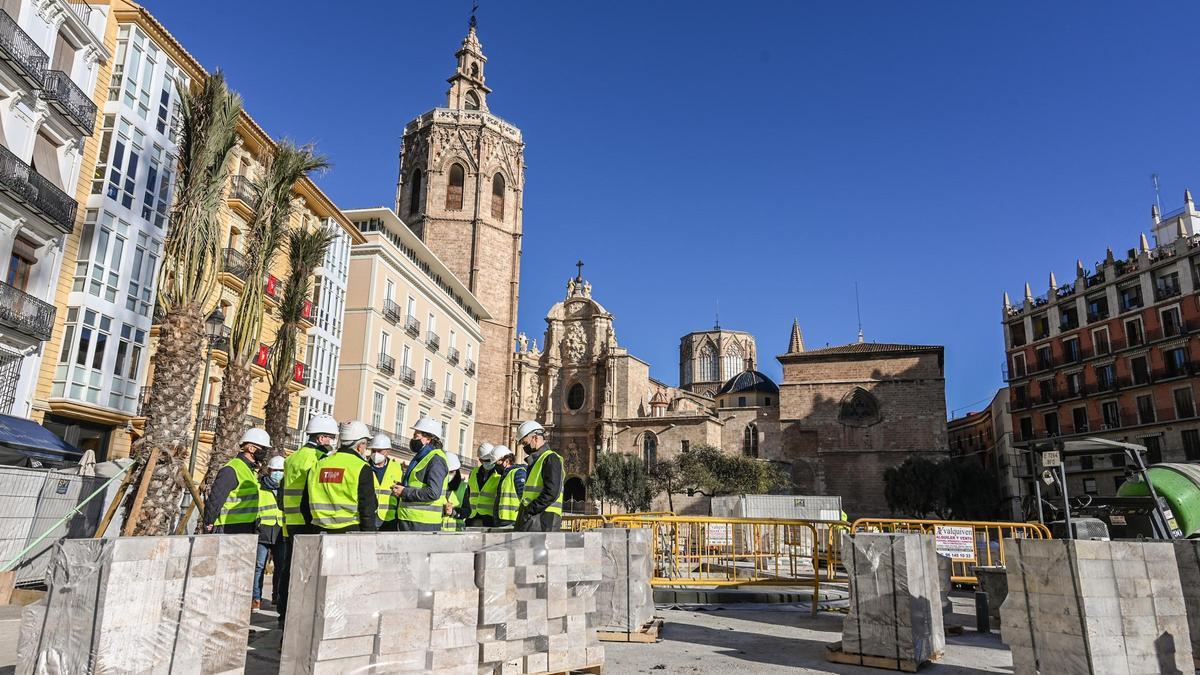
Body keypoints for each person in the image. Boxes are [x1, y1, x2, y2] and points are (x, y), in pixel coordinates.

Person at [277, 414, 338, 623]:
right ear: (321, 438)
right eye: (330, 438)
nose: (331, 442)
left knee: (289, 568)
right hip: (309, 521)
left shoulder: (292, 457)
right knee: (306, 573)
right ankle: (299, 618)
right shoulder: (319, 459)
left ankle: (283, 614)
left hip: (290, 521)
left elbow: (283, 489)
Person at [303, 421, 378, 533]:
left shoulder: (318, 465)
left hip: (320, 530)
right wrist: (369, 535)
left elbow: (305, 502)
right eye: (366, 444)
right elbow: (367, 508)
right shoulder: (361, 467)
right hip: (350, 531)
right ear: (359, 445)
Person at [204, 428, 271, 534]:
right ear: (251, 449)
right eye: (263, 448)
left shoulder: (251, 471)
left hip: (246, 526)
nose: (265, 452)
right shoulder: (232, 469)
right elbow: (216, 498)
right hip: (228, 527)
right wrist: (209, 521)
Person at [392, 417, 448, 531]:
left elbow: (433, 492)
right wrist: (403, 487)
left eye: (416, 436)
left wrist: (405, 491)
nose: (413, 439)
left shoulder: (436, 459)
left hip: (423, 524)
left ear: (428, 439)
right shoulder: (422, 457)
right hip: (410, 521)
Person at [514, 421, 563, 532]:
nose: (524, 447)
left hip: (544, 519)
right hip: (537, 518)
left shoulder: (551, 458)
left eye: (525, 443)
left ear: (535, 438)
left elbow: (551, 492)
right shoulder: (536, 461)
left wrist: (530, 510)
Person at [253, 455, 286, 611]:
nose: (278, 473)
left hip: (280, 531)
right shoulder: (260, 487)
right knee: (259, 566)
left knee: (280, 566)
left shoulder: (286, 488)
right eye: (276, 470)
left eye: (281, 471)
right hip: (263, 530)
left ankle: (276, 597)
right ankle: (256, 598)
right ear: (270, 470)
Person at [369, 433, 403, 530]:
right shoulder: (364, 466)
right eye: (373, 450)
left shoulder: (396, 468)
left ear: (387, 451)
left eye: (379, 451)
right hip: (369, 517)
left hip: (389, 518)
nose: (375, 454)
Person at [463, 442, 501, 527]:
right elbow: (468, 494)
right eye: (487, 460)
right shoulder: (473, 473)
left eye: (491, 460)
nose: (490, 462)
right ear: (480, 460)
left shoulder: (500, 474)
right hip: (472, 517)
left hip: (491, 519)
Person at [492, 445, 526, 528]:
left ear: (506, 461)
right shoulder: (505, 475)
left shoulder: (518, 473)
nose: (496, 466)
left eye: (497, 463)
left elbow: (524, 497)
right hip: (502, 521)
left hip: (513, 521)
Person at [442, 453, 465, 532]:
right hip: (437, 533)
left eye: (451, 472)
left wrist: (453, 512)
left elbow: (467, 511)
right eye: (447, 472)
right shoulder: (435, 487)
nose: (449, 475)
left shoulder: (463, 488)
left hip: (457, 534)